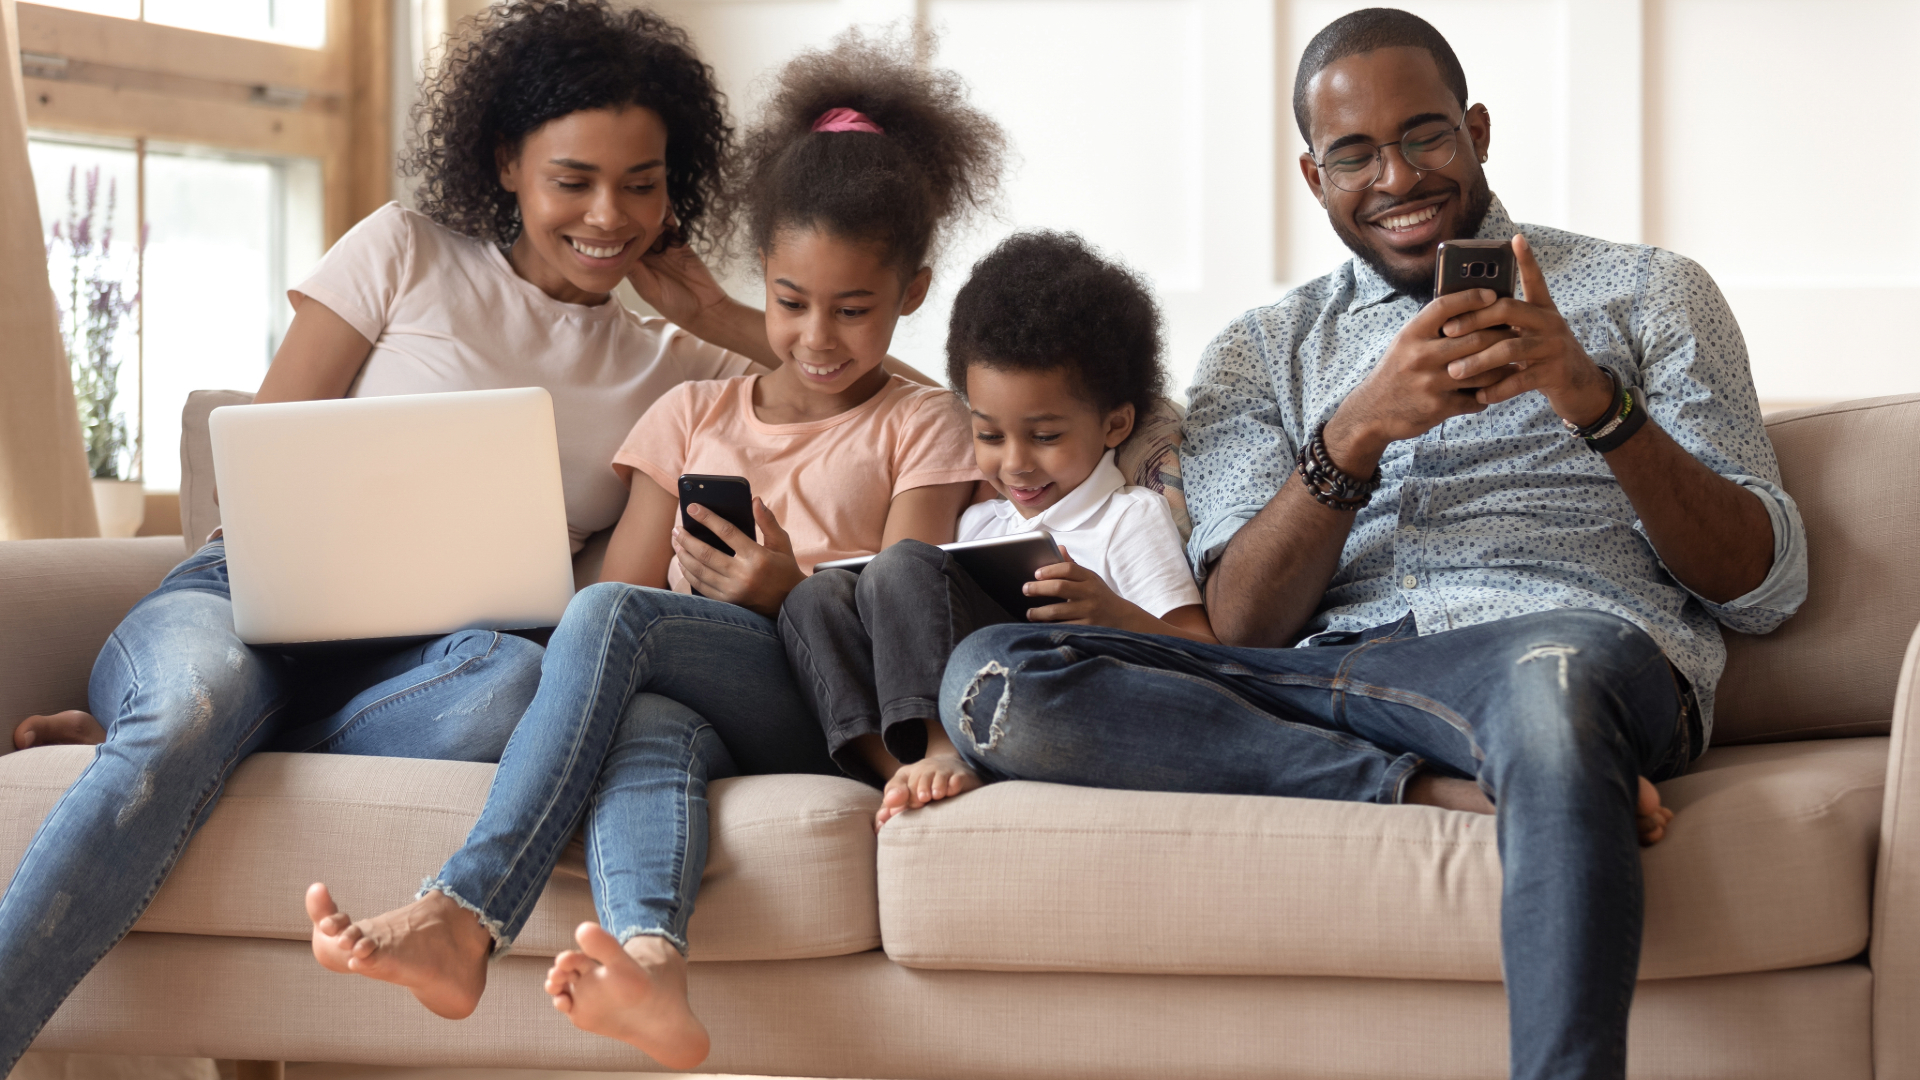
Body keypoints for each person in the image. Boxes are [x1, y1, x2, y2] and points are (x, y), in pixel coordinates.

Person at [929, 9, 1805, 1080]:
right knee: (991, 680)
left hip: (1558, 646)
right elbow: (1243, 625)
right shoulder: (1259, 354)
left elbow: (1761, 587)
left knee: (1547, 687)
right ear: (1313, 176)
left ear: (1477, 129)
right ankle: (1447, 778)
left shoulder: (1650, 291)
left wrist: (1597, 402)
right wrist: (1357, 432)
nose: (1397, 175)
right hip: (1318, 673)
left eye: (1426, 135)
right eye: (1354, 154)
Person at [0, 1, 806, 1068]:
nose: (610, 215)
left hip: (440, 668)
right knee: (193, 702)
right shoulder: (403, 250)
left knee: (526, 694)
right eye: (574, 180)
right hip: (245, 598)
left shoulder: (679, 366)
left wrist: (721, 318)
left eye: (642, 183)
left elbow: (922, 416)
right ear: (506, 163)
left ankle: (196, 740)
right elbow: (262, 458)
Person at [302, 31, 1002, 1071]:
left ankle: (463, 911)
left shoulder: (925, 422)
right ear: (760, 278)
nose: (816, 338)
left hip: (830, 696)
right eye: (790, 304)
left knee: (611, 625)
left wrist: (780, 588)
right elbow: (616, 586)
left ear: (910, 293)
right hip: (710, 694)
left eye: (854, 311)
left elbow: (913, 607)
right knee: (649, 724)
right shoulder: (690, 411)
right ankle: (655, 969)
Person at [780, 230, 1223, 827]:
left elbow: (1211, 660)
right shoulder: (978, 519)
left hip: (1045, 699)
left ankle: (943, 751)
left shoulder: (1128, 518)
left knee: (908, 559)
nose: (1013, 462)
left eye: (1044, 437)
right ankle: (900, 773)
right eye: (988, 435)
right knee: (815, 596)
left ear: (1115, 424)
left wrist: (1114, 613)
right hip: (961, 687)